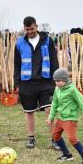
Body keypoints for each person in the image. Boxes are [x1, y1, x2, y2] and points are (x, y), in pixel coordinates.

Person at [14, 16, 59, 149]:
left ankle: (55, 139)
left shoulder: (47, 41)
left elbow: (54, 60)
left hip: (46, 81)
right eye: (27, 29)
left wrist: (56, 78)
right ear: (24, 28)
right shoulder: (19, 43)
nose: (30, 31)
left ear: (37, 26)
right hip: (27, 82)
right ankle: (31, 138)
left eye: (32, 28)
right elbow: (16, 64)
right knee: (29, 111)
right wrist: (17, 83)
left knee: (50, 110)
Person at [46, 68, 83, 164]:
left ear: (64, 80)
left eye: (58, 81)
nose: (56, 83)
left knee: (72, 139)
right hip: (61, 117)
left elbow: (82, 103)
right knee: (55, 135)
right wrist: (51, 116)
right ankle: (67, 155)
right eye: (55, 81)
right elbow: (54, 103)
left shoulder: (72, 90)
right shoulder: (57, 89)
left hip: (70, 119)